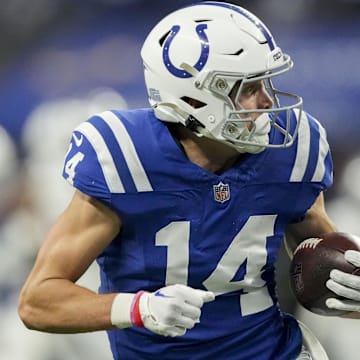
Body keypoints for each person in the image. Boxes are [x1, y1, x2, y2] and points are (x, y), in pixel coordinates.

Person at [17, 2, 360, 359]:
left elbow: (321, 261)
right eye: (247, 87)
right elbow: (38, 301)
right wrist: (139, 309)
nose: (267, 100)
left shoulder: (291, 150)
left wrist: (351, 290)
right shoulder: (127, 158)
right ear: (194, 98)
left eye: (266, 82)